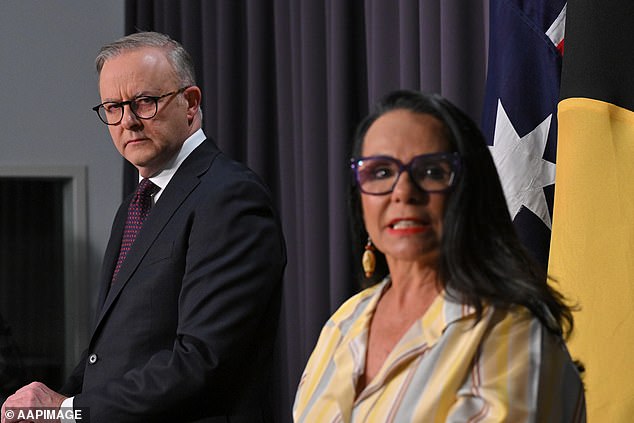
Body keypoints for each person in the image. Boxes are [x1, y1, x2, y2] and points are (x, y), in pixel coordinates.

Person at [1, 32, 286, 423]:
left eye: (145, 102)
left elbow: (202, 359)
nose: (128, 122)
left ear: (190, 103)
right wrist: (52, 404)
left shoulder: (230, 197)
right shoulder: (137, 203)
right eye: (113, 107)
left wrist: (67, 410)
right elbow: (111, 354)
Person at [293, 90, 585, 422]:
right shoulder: (344, 322)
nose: (403, 191)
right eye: (381, 172)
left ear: (468, 190)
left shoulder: (514, 333)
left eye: (431, 172)